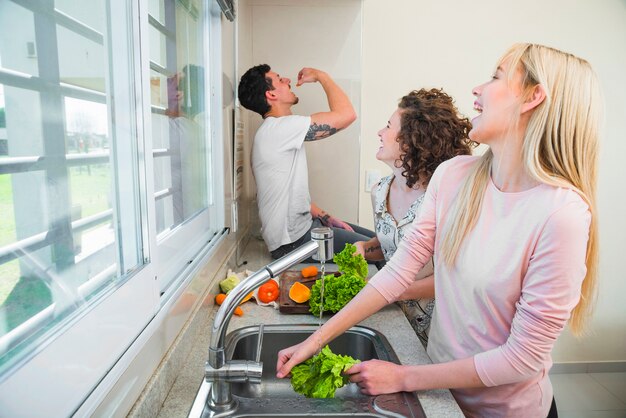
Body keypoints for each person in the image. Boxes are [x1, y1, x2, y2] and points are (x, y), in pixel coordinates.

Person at [276, 43, 602, 418]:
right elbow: (399, 271)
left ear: (533, 97)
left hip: (503, 410)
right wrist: (315, 341)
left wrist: (405, 377)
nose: (477, 90)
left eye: (496, 77)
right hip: (440, 397)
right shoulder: (455, 175)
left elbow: (523, 358)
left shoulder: (561, 214)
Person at [354, 89, 474, 345]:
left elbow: (453, 277)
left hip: (442, 329)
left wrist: (388, 289)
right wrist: (365, 248)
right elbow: (395, 246)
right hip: (397, 320)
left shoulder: (445, 197)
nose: (380, 132)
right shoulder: (379, 191)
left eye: (388, 127)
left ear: (410, 141)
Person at [238, 64, 375, 259]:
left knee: (379, 242)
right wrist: (322, 75)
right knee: (383, 250)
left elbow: (287, 192)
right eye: (279, 79)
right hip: (293, 243)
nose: (287, 80)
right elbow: (347, 115)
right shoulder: (279, 129)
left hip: (303, 232)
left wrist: (325, 217)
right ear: (272, 95)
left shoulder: (275, 131)